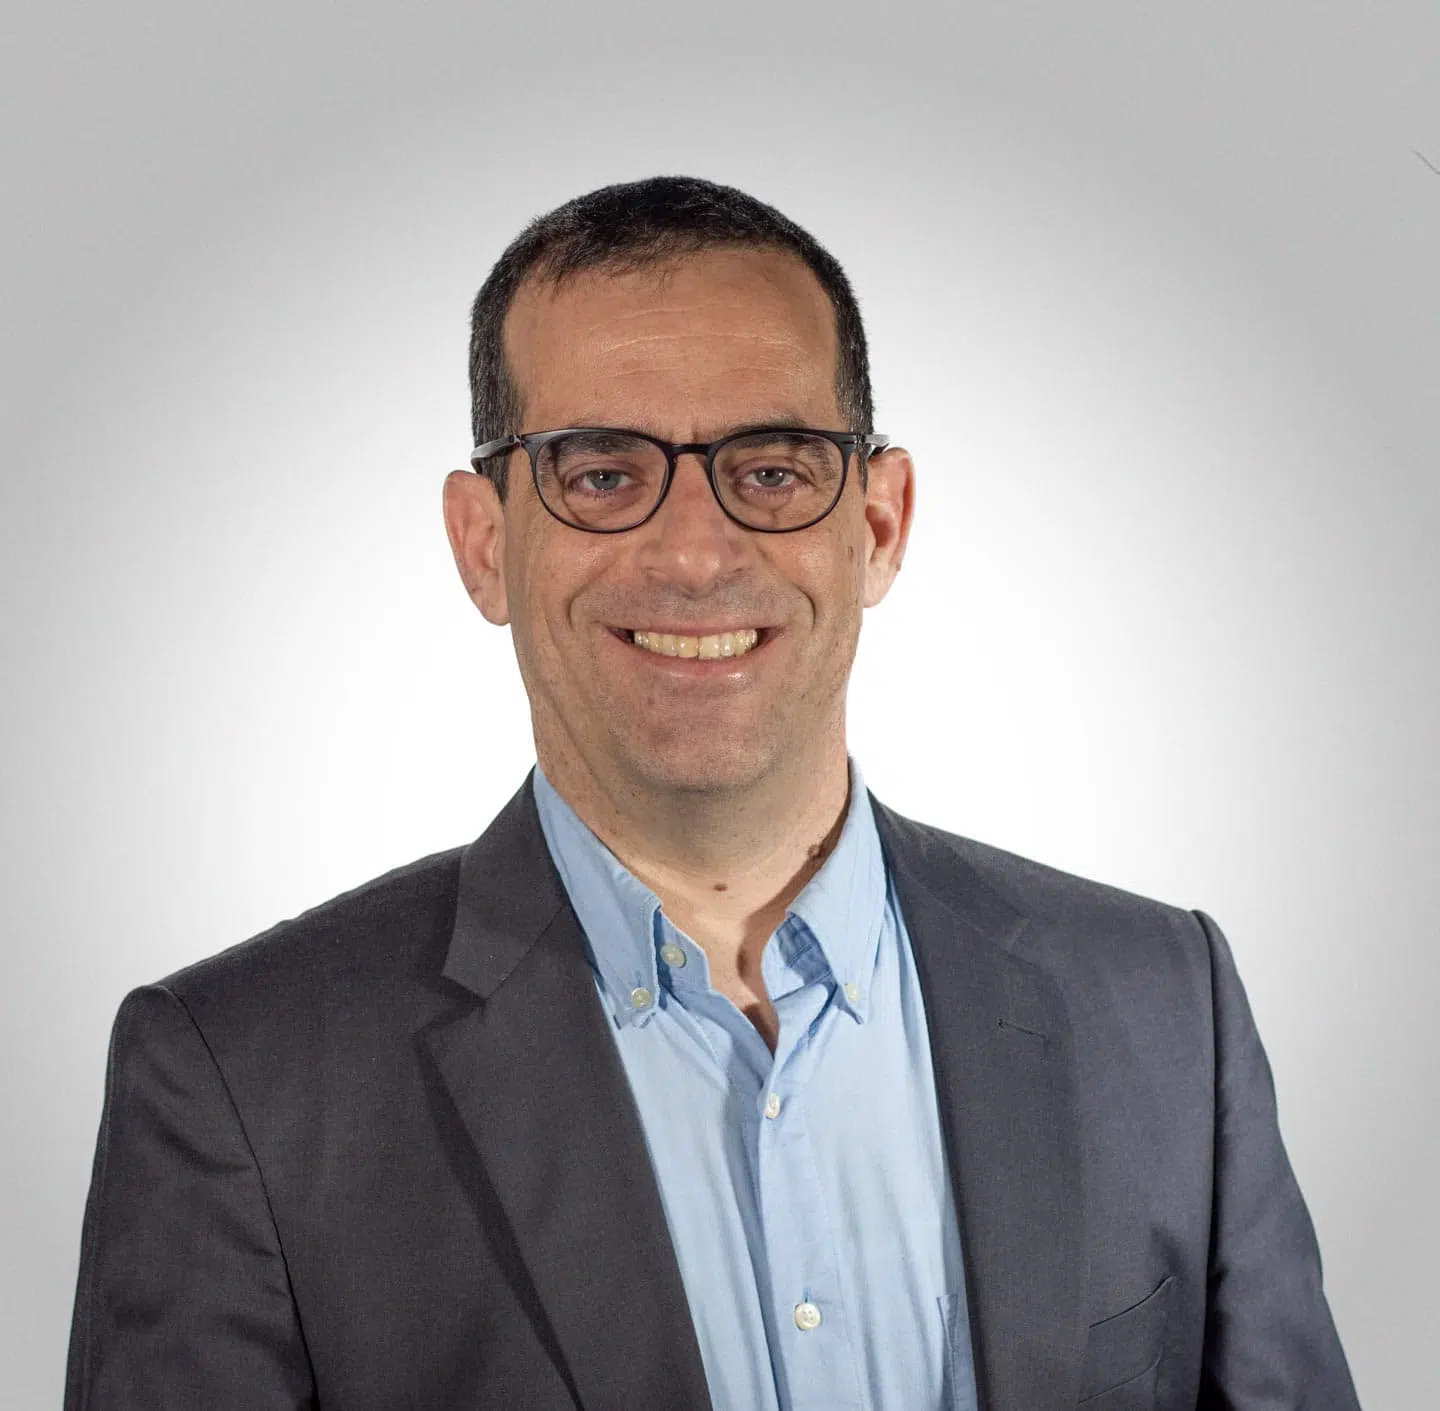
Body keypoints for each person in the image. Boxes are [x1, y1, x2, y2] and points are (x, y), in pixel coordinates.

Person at [64, 175, 1360, 1411]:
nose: (693, 551)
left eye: (776, 466)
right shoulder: (241, 1079)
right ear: (483, 544)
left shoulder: (1162, 1009)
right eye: (602, 472)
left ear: (881, 525)